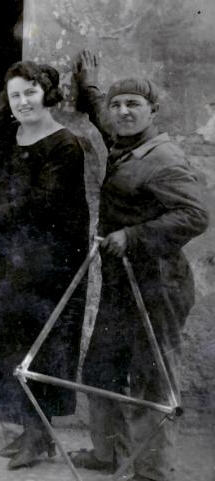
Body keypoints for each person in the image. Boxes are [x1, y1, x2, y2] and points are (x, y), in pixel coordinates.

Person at [71, 50, 208, 481]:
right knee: (103, 367)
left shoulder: (164, 159)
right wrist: (90, 85)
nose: (123, 111)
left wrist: (131, 236)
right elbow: (99, 113)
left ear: (154, 111)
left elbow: (195, 216)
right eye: (118, 105)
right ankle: (108, 454)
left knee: (152, 375)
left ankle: (152, 470)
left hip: (158, 284)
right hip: (122, 281)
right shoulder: (123, 141)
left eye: (134, 105)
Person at [0, 61, 89, 469]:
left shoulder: (64, 144)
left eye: (30, 91)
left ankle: (39, 435)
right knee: (13, 340)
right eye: (15, 95)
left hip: (51, 262)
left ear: (47, 93)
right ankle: (33, 431)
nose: (23, 101)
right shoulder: (12, 135)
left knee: (43, 346)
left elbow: (43, 205)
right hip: (16, 257)